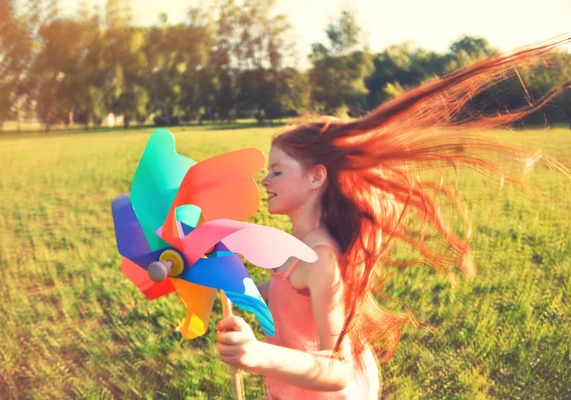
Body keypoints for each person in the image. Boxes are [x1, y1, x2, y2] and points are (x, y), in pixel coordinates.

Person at [216, 36, 570, 399]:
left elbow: (337, 368)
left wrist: (258, 355)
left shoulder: (320, 257)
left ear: (316, 177)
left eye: (277, 171)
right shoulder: (293, 248)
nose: (265, 179)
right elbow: (283, 295)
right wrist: (224, 281)